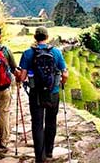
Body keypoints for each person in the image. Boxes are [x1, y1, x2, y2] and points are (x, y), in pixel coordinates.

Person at [19, 26, 68, 163]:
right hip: (53, 93)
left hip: (36, 94)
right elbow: (65, 73)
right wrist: (61, 83)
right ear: (47, 37)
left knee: (37, 124)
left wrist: (20, 77)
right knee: (51, 121)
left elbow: (22, 77)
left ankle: (40, 158)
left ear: (35, 37)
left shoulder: (28, 53)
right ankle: (49, 151)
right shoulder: (56, 53)